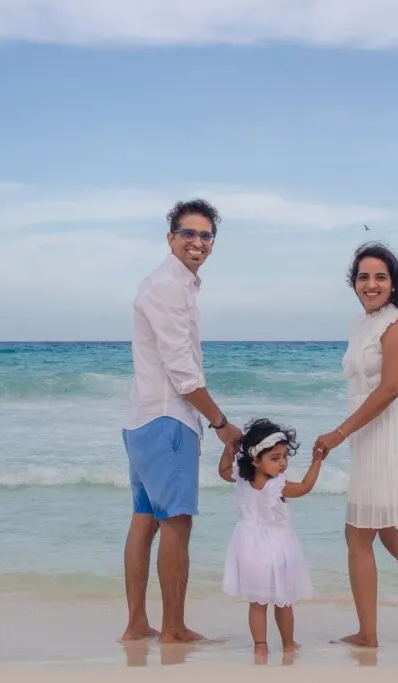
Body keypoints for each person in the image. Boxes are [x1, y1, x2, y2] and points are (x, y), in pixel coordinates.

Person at [311, 241, 398, 648]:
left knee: (360, 536)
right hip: (370, 437)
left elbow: (390, 388)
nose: (370, 284)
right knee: (394, 536)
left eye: (380, 277)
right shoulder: (361, 324)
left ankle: (369, 635)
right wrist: (350, 434)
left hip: (389, 436)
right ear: (353, 283)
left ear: (393, 284)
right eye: (363, 277)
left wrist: (338, 433)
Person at [120, 199, 244, 644]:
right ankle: (173, 629)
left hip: (142, 419)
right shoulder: (169, 287)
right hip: (167, 419)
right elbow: (183, 372)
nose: (198, 242)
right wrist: (221, 424)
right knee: (176, 522)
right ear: (170, 238)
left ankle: (138, 625)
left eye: (206, 235)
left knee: (144, 519)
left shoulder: (166, 284)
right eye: (188, 233)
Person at [218, 418, 323, 656]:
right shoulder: (278, 486)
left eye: (284, 456)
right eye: (275, 458)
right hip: (276, 546)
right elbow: (305, 487)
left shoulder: (242, 477)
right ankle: (288, 644)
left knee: (257, 602)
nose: (283, 463)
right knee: (283, 601)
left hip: (247, 545)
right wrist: (317, 461)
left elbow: (223, 471)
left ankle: (260, 646)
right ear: (256, 460)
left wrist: (228, 449)